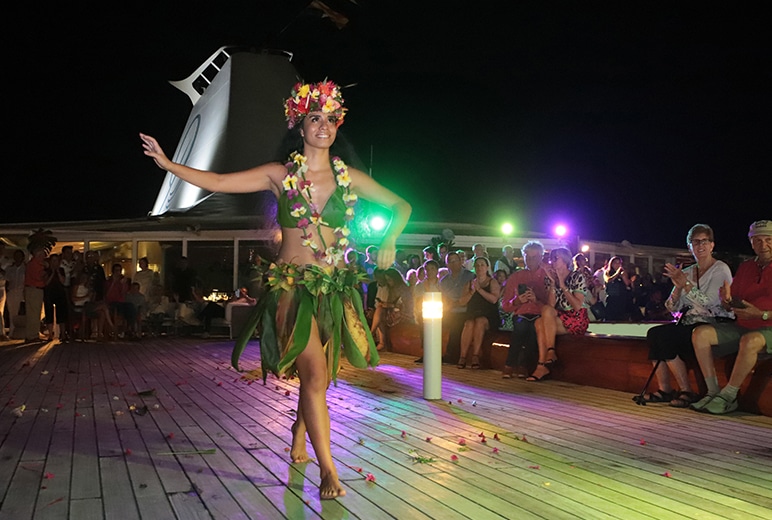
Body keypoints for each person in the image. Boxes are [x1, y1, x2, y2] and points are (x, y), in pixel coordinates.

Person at [141, 79, 410, 499]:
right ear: (299, 127)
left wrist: (391, 238)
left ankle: (300, 433)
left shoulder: (348, 178)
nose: (323, 126)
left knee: (316, 378)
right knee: (316, 375)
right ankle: (328, 470)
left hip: (334, 290)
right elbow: (217, 180)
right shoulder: (279, 176)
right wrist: (168, 164)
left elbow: (401, 206)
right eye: (314, 118)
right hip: (291, 289)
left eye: (329, 119)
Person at [636, 224, 735, 406]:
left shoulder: (720, 269)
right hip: (689, 323)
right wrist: (678, 288)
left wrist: (686, 285)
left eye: (704, 241)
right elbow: (672, 307)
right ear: (690, 247)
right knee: (654, 333)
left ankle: (687, 391)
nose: (700, 246)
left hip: (712, 323)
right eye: (695, 242)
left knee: (667, 336)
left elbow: (710, 302)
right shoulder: (688, 272)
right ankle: (665, 389)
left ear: (712, 245)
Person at [690, 220, 772, 414]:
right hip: (744, 325)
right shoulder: (746, 267)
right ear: (751, 243)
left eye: (769, 239)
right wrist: (727, 300)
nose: (763, 245)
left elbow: (759, 313)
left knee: (750, 340)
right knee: (700, 334)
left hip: (767, 327)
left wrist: (761, 314)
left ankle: (729, 396)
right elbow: (734, 298)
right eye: (757, 240)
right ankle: (712, 392)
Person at [526, 247, 590, 381]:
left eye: (556, 259)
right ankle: (544, 361)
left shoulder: (577, 276)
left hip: (577, 318)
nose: (552, 262)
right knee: (539, 321)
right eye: (551, 259)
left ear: (566, 260)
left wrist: (563, 286)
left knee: (542, 319)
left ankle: (545, 359)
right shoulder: (551, 279)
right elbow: (550, 306)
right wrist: (554, 284)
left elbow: (577, 306)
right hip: (560, 317)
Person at [500, 241, 550, 378]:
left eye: (534, 257)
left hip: (539, 314)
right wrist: (516, 301)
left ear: (541, 257)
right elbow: (505, 305)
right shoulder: (516, 276)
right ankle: (518, 365)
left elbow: (552, 305)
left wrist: (536, 300)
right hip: (521, 314)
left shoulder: (547, 276)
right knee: (522, 326)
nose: (530, 260)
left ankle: (516, 365)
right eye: (527, 257)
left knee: (532, 329)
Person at [458, 256, 501, 369]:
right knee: (469, 323)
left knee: (480, 321)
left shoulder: (492, 282)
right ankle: (462, 356)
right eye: (477, 265)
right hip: (473, 313)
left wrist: (480, 290)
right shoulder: (469, 283)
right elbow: (462, 302)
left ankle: (475, 355)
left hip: (489, 315)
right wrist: (472, 292)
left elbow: (494, 299)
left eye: (482, 265)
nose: (479, 267)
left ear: (487, 267)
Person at [439, 251, 475, 364]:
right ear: (447, 264)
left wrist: (457, 303)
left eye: (456, 260)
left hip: (466, 310)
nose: (454, 264)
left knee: (456, 323)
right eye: (451, 261)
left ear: (461, 261)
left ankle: (452, 355)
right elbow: (443, 298)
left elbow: (471, 296)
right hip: (449, 310)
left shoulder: (470, 276)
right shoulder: (443, 281)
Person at [370, 267, 414, 351]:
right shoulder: (390, 289)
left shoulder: (403, 289)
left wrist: (390, 305)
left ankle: (373, 336)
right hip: (392, 312)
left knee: (380, 312)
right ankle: (380, 341)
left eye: (390, 280)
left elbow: (406, 305)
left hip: (404, 313)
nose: (389, 282)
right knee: (379, 311)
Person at [24, 246, 48, 342]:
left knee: (33, 312)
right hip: (34, 289)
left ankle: (32, 334)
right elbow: (39, 277)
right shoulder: (35, 264)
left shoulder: (32, 263)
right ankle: (32, 335)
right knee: (34, 313)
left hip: (32, 290)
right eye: (42, 254)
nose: (44, 256)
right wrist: (46, 270)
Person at [604, 256, 634, 321]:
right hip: (612, 299)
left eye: (619, 263)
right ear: (611, 264)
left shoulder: (623, 273)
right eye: (615, 263)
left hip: (622, 299)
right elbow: (608, 280)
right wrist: (617, 273)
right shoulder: (607, 272)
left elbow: (627, 284)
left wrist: (625, 277)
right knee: (610, 319)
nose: (617, 265)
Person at [4, 249, 26, 338]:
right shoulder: (10, 268)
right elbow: (7, 280)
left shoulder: (25, 268)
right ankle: (12, 332)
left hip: (22, 292)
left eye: (19, 256)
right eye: (16, 256)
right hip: (12, 291)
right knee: (11, 312)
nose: (17, 258)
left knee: (21, 312)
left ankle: (23, 332)